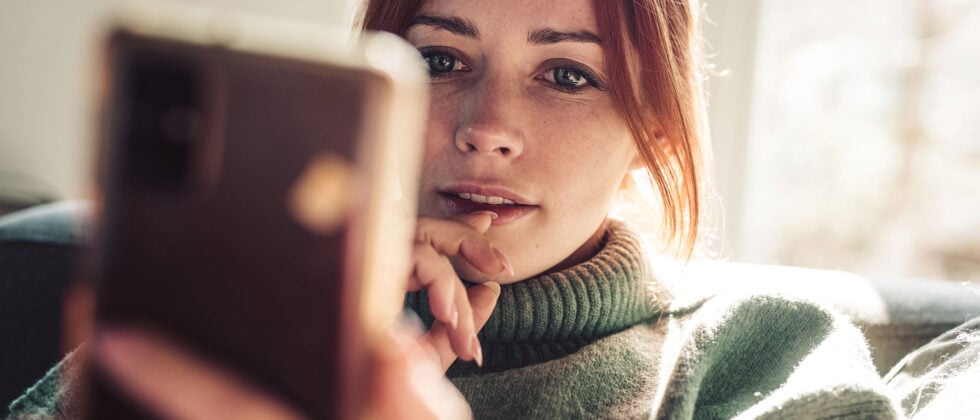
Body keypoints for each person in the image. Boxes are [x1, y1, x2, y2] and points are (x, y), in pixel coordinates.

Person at [11, 0, 943, 418]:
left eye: (567, 75)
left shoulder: (770, 354)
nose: (488, 128)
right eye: (441, 60)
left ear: (652, 133)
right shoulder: (225, 314)